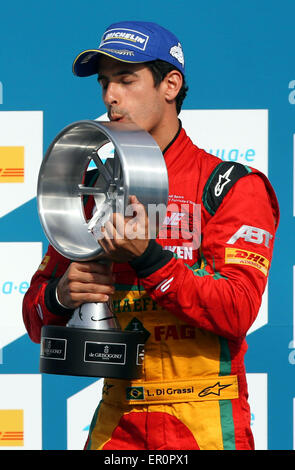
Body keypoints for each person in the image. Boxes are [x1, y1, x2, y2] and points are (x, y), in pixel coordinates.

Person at [22, 20, 279, 450]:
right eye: (105, 83)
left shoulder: (229, 185)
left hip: (206, 419)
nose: (110, 97)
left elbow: (237, 310)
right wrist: (61, 296)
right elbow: (34, 318)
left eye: (126, 79)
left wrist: (150, 260)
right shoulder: (92, 188)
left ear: (171, 84)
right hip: (118, 421)